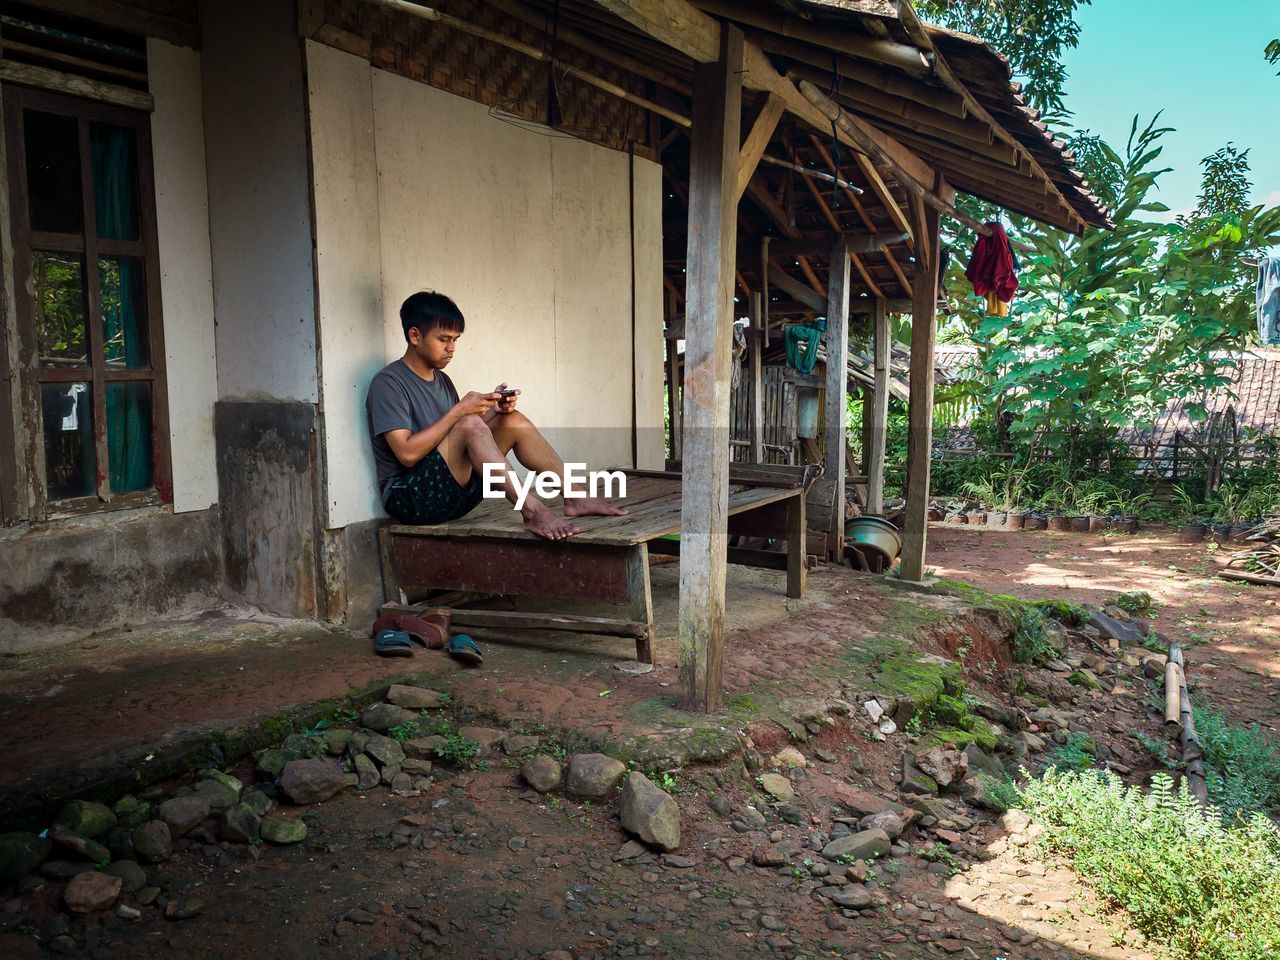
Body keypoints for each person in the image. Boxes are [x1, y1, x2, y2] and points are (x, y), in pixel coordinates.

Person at [366, 291, 627, 541]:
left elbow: (453, 442)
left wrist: (491, 412)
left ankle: (575, 496)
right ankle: (532, 510)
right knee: (469, 423)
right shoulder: (389, 383)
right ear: (415, 335)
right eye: (444, 339)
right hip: (411, 499)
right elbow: (407, 454)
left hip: (454, 493)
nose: (451, 348)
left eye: (455, 339)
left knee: (512, 421)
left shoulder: (442, 381)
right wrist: (461, 411)